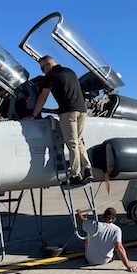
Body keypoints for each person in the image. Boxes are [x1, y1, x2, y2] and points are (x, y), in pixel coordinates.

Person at [32, 55, 93, 184]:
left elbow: (43, 97)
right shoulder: (70, 72)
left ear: (49, 64)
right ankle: (87, 169)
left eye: (43, 67)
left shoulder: (52, 75)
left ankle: (75, 175)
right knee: (78, 141)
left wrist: (33, 115)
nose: (43, 71)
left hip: (68, 112)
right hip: (82, 110)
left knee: (72, 143)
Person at [76, 207, 137, 272]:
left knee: (89, 234)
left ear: (103, 217)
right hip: (105, 260)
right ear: (114, 219)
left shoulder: (94, 224)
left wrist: (79, 212)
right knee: (115, 243)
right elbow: (119, 248)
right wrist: (128, 265)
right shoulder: (116, 230)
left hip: (90, 260)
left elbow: (80, 220)